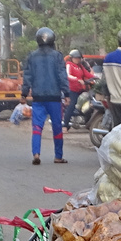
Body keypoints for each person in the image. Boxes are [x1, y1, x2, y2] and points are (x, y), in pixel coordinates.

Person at [21, 27, 67, 165]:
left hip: (38, 98)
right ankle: (58, 156)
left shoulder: (32, 56)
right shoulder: (57, 56)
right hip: (54, 98)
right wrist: (68, 93)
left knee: (36, 127)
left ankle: (36, 154)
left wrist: (24, 93)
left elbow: (27, 76)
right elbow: (62, 76)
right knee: (57, 127)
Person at [63, 50, 95, 130]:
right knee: (72, 105)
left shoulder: (80, 66)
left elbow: (87, 74)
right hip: (72, 89)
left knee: (89, 102)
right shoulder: (69, 65)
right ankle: (65, 126)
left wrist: (96, 78)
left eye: (79, 58)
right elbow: (68, 75)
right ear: (71, 58)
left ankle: (87, 122)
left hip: (80, 89)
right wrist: (77, 79)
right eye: (76, 58)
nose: (78, 59)